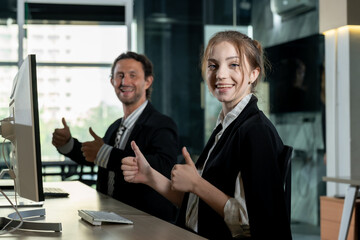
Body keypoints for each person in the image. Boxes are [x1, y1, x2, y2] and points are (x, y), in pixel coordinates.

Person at [121, 31, 292, 239]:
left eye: (233, 65)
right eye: (213, 65)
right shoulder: (226, 126)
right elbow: (198, 205)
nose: (220, 74)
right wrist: (149, 176)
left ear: (254, 74)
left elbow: (250, 224)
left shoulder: (256, 131)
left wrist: (197, 183)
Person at [52, 51, 179, 222]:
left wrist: (105, 153)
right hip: (110, 219)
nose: (125, 82)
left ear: (147, 81)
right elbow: (95, 157)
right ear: (112, 82)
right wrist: (67, 143)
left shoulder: (162, 124)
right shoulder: (115, 127)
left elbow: (164, 167)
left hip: (148, 222)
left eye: (132, 75)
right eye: (120, 76)